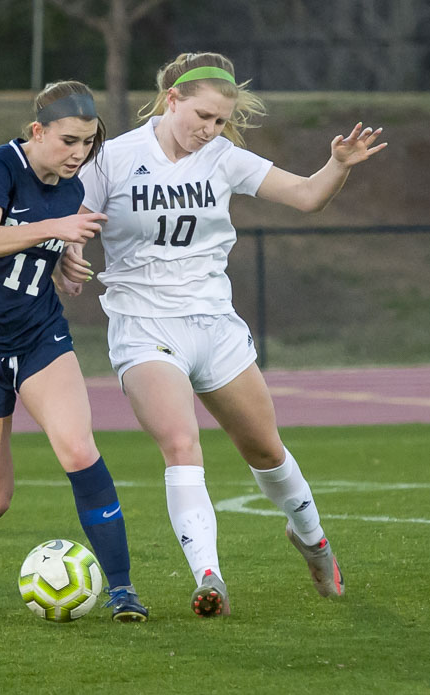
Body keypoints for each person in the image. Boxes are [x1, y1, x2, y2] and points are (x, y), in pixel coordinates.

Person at [62, 52, 385, 616]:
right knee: (181, 443)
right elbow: (74, 221)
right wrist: (69, 253)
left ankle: (312, 540)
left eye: (219, 121)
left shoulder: (222, 157)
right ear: (172, 100)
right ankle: (208, 576)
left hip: (214, 324)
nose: (209, 130)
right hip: (144, 326)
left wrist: (338, 165)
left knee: (265, 450)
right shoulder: (111, 159)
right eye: (203, 117)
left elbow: (308, 195)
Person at [0, 81, 149, 622]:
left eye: (89, 144)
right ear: (37, 131)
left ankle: (122, 590)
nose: (79, 154)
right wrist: (56, 230)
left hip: (37, 334)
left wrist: (67, 262)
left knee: (78, 449)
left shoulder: (73, 182)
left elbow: (54, 242)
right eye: (69, 141)